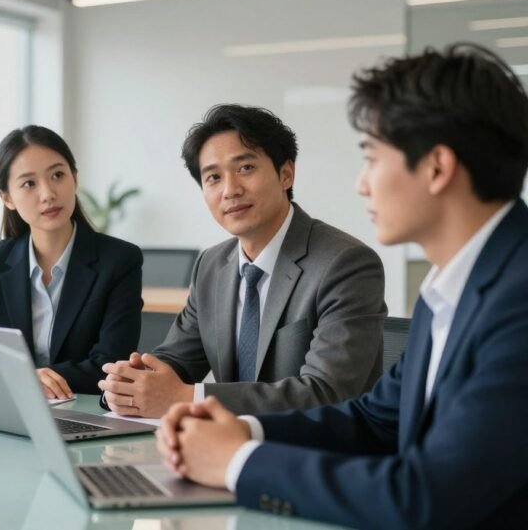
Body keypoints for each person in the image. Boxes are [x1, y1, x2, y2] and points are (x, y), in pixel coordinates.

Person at [156, 43, 528, 529]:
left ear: (437, 167)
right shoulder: (453, 289)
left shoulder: (517, 300)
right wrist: (239, 429)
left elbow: (427, 496)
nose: (361, 184)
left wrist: (236, 462)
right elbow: (374, 420)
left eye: (372, 158)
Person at [99, 104, 386, 417]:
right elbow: (176, 362)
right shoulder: (211, 265)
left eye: (245, 168)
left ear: (286, 173)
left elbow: (326, 393)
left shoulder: (345, 264)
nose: (230, 190)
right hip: (224, 448)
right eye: (213, 178)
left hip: (316, 454)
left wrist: (190, 397)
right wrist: (128, 385)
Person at [0, 125, 142, 397]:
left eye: (57, 175)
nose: (48, 194)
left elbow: (110, 364)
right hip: (7, 412)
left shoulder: (119, 260)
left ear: (74, 179)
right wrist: (25, 379)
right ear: (7, 198)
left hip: (84, 412)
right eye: (29, 183)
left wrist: (29, 380)